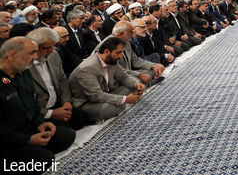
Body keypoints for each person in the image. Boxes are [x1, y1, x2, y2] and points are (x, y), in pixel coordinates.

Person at [0, 37, 75, 170]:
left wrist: (40, 122)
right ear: (12, 55)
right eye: (31, 53)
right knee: (44, 160)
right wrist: (27, 140)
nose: (35, 57)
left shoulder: (24, 73)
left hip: (26, 128)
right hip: (7, 139)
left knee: (67, 135)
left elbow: (32, 103)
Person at [68, 37, 145, 122]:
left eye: (122, 52)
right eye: (118, 53)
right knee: (110, 109)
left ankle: (118, 104)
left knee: (133, 86)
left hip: (105, 93)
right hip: (86, 103)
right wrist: (125, 99)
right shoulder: (87, 68)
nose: (120, 56)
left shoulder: (111, 60)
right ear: (107, 52)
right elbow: (96, 95)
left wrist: (136, 84)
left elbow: (123, 77)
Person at [28, 28, 89, 130]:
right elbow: (27, 103)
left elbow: (62, 80)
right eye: (47, 48)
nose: (51, 51)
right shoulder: (24, 66)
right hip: (41, 111)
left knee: (81, 118)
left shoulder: (53, 55)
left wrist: (67, 102)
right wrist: (51, 113)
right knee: (64, 134)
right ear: (34, 48)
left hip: (57, 104)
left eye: (53, 46)